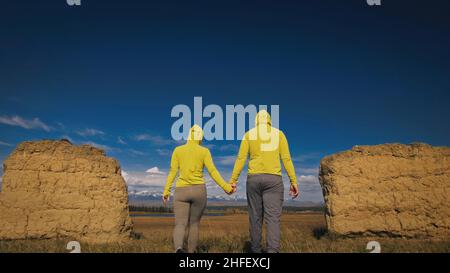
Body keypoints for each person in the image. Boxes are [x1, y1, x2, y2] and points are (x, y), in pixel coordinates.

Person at [230, 110, 299, 253]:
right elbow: (286, 159)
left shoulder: (249, 134)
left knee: (255, 218)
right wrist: (293, 181)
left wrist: (233, 180)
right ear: (269, 120)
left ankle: (255, 252)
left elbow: (241, 158)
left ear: (256, 120)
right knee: (272, 219)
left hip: (254, 179)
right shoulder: (279, 134)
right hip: (274, 180)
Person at [163, 124, 235, 253]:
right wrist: (226, 187)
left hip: (181, 191)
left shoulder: (178, 150)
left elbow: (172, 172)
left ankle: (178, 249)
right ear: (200, 137)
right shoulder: (204, 151)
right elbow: (213, 171)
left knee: (180, 224)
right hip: (199, 191)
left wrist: (166, 190)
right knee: (194, 224)